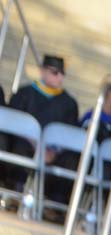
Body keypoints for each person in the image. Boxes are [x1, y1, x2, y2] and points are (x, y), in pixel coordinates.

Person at [4, 54, 79, 201]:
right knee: (16, 144)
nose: (60, 78)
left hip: (53, 153)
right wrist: (38, 146)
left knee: (71, 159)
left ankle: (53, 204)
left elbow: (69, 133)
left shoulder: (69, 104)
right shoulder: (24, 94)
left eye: (62, 74)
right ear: (42, 71)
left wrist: (53, 151)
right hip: (26, 146)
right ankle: (13, 192)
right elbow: (14, 123)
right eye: (55, 73)